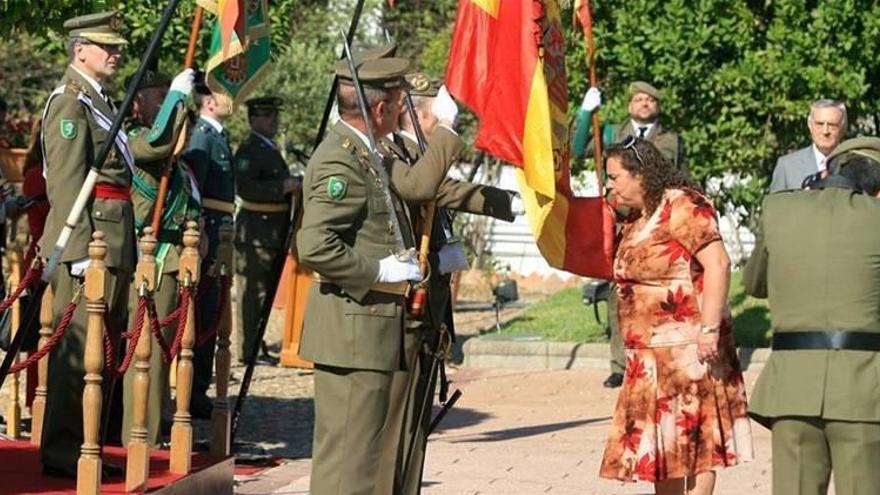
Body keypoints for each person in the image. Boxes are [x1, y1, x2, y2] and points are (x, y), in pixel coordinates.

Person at [296, 56, 464, 495]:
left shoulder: (369, 151)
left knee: (368, 462)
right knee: (347, 464)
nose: (400, 109)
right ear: (378, 110)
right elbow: (313, 245)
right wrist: (377, 270)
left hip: (372, 331)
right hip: (352, 332)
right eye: (395, 101)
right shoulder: (340, 160)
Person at [382, 72, 521, 494]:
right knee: (400, 418)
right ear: (416, 115)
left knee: (417, 417)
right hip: (406, 301)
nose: (444, 124)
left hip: (431, 301)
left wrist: (508, 202)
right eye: (436, 116)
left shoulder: (425, 154)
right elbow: (429, 190)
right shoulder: (394, 153)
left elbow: (449, 191)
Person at [598, 137, 753, 494]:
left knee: (694, 448)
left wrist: (710, 330)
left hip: (686, 353)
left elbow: (718, 263)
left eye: (614, 177)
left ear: (641, 175)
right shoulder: (638, 216)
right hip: (647, 358)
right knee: (661, 455)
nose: (610, 185)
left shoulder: (682, 205)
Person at [744, 137, 880, 495]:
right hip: (864, 388)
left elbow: (754, 284)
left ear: (828, 170)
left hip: (791, 385)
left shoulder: (778, 209)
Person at [38, 10, 134, 478]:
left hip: (111, 238)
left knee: (104, 349)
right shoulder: (70, 104)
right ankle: (63, 450)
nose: (116, 54)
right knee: (78, 352)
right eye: (107, 47)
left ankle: (88, 443)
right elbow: (66, 182)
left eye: (116, 47)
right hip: (89, 239)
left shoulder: (98, 99)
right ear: (81, 51)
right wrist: (75, 253)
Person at [573, 81, 688, 389]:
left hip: (658, 222)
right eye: (638, 99)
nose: (644, 104)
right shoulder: (610, 133)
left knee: (660, 293)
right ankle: (619, 365)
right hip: (621, 223)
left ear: (657, 106)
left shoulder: (670, 140)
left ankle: (659, 357)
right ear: (629, 105)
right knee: (618, 295)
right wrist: (586, 114)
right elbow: (575, 148)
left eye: (650, 100)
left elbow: (663, 172)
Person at [121, 68, 198, 446]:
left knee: (162, 351)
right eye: (157, 96)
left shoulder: (170, 145)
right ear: (136, 103)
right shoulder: (134, 136)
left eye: (164, 95)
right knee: (145, 352)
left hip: (172, 257)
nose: (162, 101)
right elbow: (157, 143)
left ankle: (155, 426)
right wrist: (178, 98)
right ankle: (141, 437)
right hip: (151, 255)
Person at [183, 87, 235, 419]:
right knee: (204, 308)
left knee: (212, 307)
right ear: (208, 102)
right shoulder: (202, 136)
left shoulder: (217, 135)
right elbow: (195, 187)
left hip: (221, 227)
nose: (232, 99)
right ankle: (195, 390)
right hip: (210, 229)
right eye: (224, 94)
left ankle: (199, 386)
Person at [233, 96, 295, 365]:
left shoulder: (269, 148)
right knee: (253, 295)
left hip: (273, 231)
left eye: (274, 115)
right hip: (256, 232)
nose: (274, 120)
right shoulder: (249, 149)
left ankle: (258, 344)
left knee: (265, 293)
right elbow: (246, 187)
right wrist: (283, 187)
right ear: (254, 119)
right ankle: (249, 350)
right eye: (268, 116)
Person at [769, 99, 847, 192]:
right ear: (810, 125)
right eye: (819, 124)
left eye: (832, 125)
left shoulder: (855, 165)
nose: (825, 131)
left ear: (842, 129)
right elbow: (775, 205)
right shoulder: (787, 167)